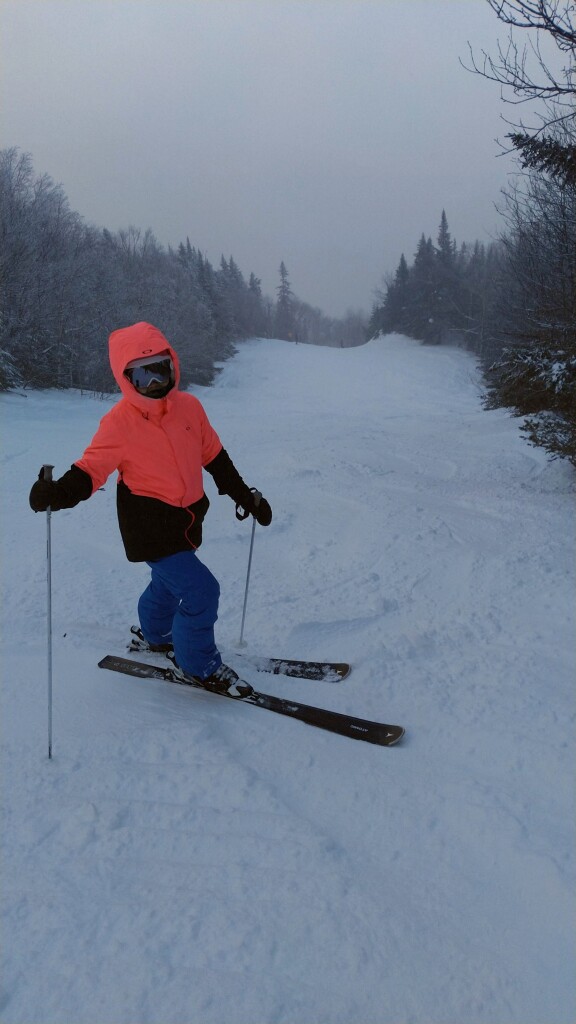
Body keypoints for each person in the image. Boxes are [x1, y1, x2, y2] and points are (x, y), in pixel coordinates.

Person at [29, 321, 272, 695]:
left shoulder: (190, 408)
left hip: (188, 519)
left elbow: (216, 458)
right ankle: (199, 665)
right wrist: (56, 494)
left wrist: (245, 497)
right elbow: (89, 470)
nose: (155, 385)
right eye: (143, 377)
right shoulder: (119, 424)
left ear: (172, 366)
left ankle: (157, 634)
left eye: (161, 370)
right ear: (126, 379)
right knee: (200, 590)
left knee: (167, 583)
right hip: (147, 524)